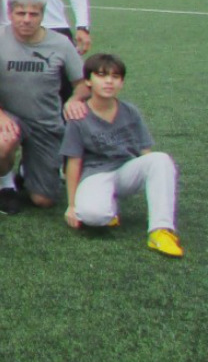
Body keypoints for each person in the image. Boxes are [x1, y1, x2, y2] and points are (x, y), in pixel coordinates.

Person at [0, 0, 87, 216]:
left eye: (33, 14)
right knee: (1, 143)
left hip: (46, 122)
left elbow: (82, 83)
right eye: (21, 13)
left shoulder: (61, 43)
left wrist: (75, 99)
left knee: (43, 200)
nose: (27, 20)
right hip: (9, 116)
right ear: (10, 13)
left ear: (43, 15)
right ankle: (6, 185)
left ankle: (27, 170)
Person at [61, 53, 183, 258]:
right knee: (92, 216)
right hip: (96, 175)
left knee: (160, 160)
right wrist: (71, 206)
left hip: (126, 171)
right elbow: (73, 162)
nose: (109, 81)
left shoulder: (130, 111)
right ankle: (108, 210)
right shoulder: (79, 116)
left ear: (122, 83)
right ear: (88, 81)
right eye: (101, 75)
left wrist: (152, 176)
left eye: (115, 77)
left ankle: (160, 231)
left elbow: (146, 153)